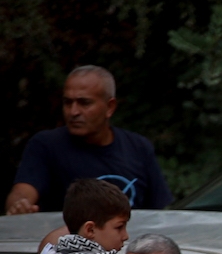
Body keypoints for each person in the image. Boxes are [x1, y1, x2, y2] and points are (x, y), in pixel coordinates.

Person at [7, 66, 171, 213]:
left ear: (110, 107)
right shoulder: (46, 145)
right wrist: (20, 205)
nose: (73, 111)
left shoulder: (138, 147)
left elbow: (161, 212)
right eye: (67, 103)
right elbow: (23, 191)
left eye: (84, 103)